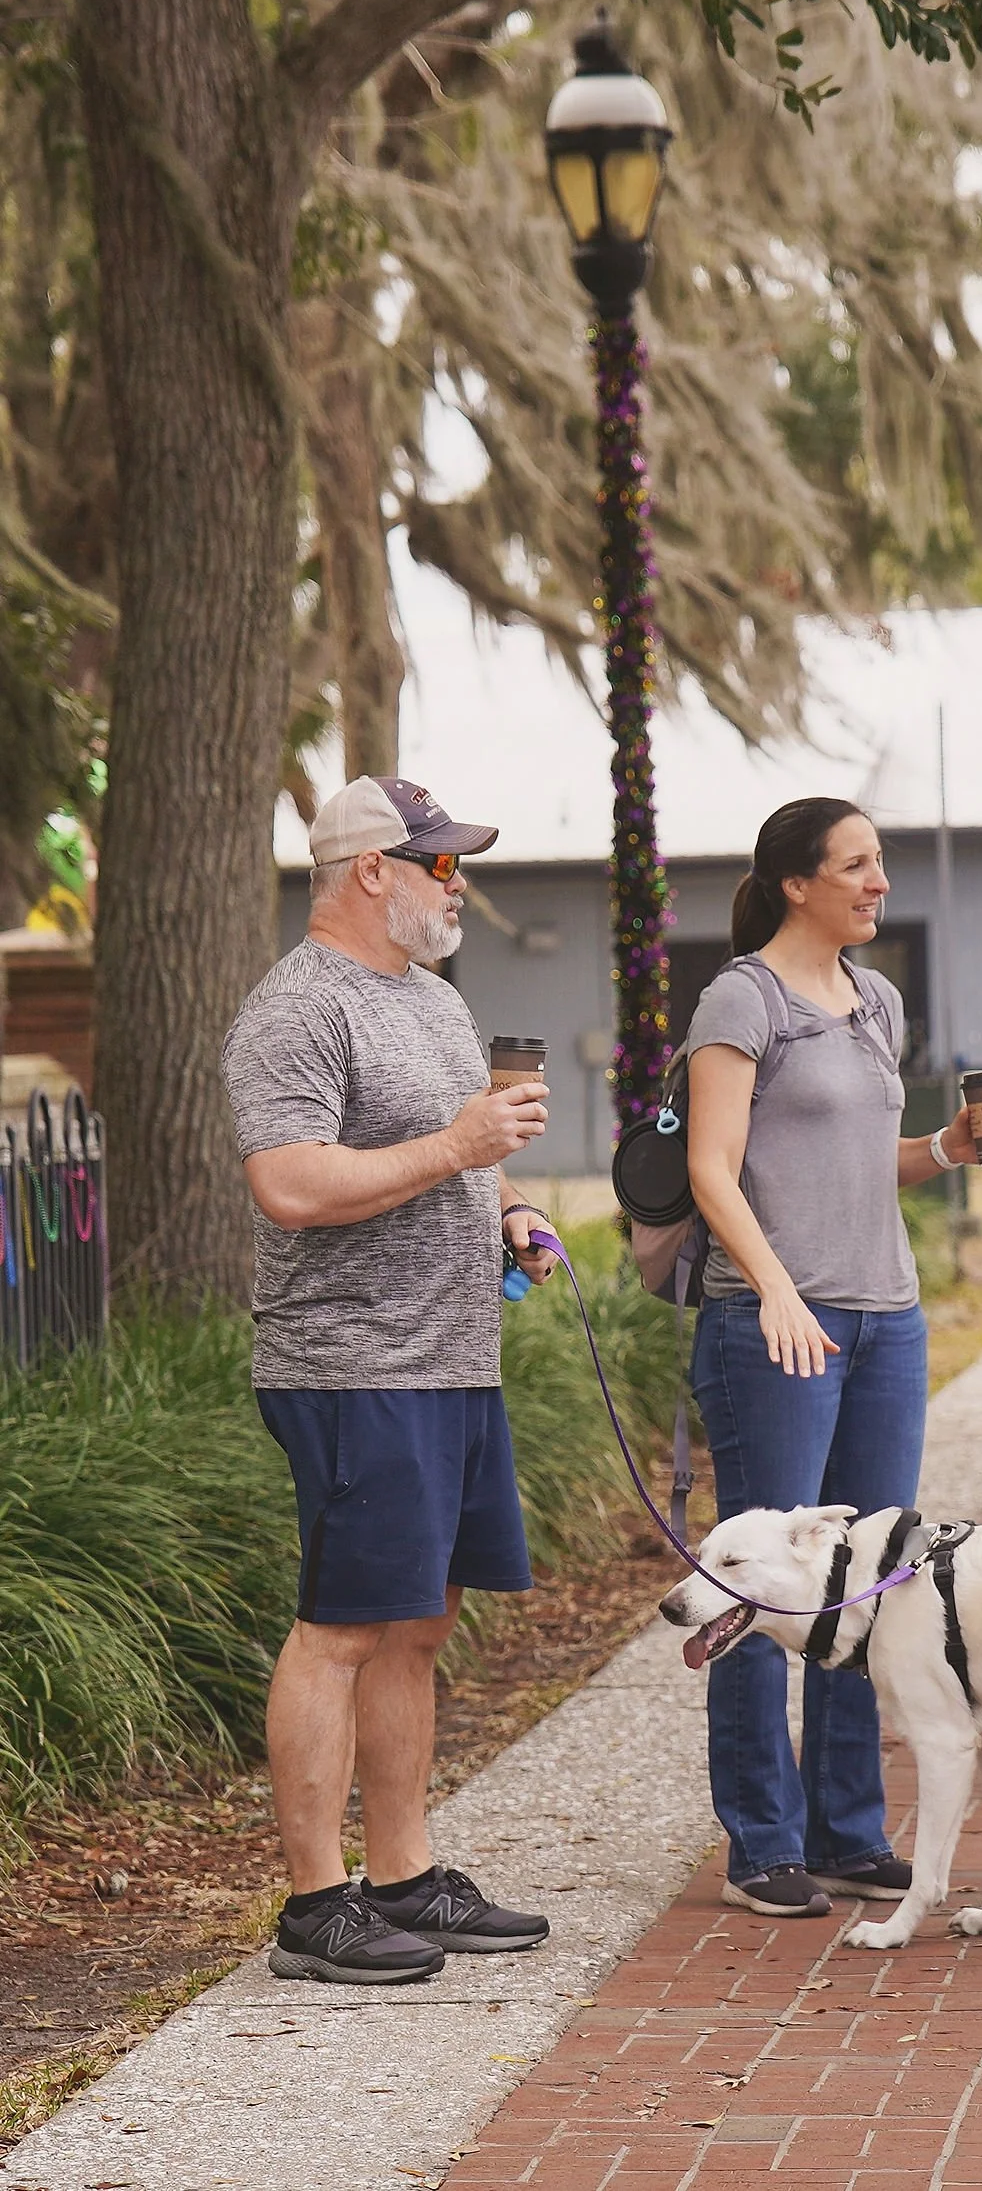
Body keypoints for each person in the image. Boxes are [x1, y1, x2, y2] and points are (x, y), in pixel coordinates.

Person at [222, 774, 560, 1988]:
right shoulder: (295, 1010)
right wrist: (463, 1149)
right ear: (373, 868)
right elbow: (293, 1185)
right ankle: (316, 1905)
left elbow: (465, 1158)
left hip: (454, 1361)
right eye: (440, 862)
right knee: (343, 1628)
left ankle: (406, 1874)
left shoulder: (432, 1001)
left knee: (421, 1620)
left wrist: (512, 1208)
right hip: (352, 1364)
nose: (455, 881)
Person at [684, 796, 978, 1920]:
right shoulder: (740, 998)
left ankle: (848, 1829)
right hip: (773, 1326)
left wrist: (951, 1145)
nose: (878, 881)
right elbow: (715, 1167)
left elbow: (864, 1163)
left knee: (873, 1572)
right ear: (796, 881)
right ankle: (761, 1839)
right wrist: (772, 1288)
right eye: (856, 864)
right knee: (760, 1576)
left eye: (881, 862)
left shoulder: (875, 999)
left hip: (884, 1319)